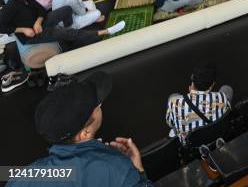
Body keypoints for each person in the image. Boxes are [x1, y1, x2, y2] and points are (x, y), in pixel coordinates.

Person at [6, 72, 152, 187]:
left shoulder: (24, 176)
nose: (100, 106)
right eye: (98, 106)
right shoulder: (120, 169)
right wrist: (138, 171)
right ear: (85, 133)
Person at [0, 0, 124, 51]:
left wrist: (38, 21)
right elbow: (1, 27)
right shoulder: (10, 7)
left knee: (67, 9)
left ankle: (71, 30)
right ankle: (106, 31)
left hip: (39, 24)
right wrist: (23, 30)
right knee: (66, 33)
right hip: (32, 35)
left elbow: (42, 10)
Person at [166, 64, 232, 145]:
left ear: (192, 78)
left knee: (172, 96)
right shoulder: (222, 97)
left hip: (190, 144)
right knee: (227, 88)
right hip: (216, 134)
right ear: (212, 85)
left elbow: (169, 122)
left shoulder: (175, 102)